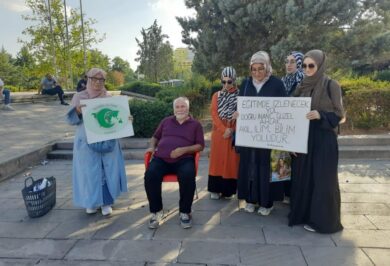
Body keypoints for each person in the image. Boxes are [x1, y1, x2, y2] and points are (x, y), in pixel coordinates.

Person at [288, 49, 344, 233]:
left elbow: (339, 113)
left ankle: (324, 222)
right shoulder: (301, 85)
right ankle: (303, 216)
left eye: (311, 65)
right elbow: (291, 111)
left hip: (324, 138)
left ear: (319, 65)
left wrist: (321, 114)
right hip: (304, 137)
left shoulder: (331, 85)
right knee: (303, 178)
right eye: (304, 65)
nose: (307, 69)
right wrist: (291, 142)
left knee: (323, 180)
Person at [66, 68, 127, 216]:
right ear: (88, 79)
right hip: (86, 143)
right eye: (94, 79)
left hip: (107, 141)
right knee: (89, 172)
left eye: (101, 80)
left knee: (107, 171)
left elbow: (116, 118)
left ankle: (107, 202)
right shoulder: (79, 97)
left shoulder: (109, 96)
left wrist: (125, 120)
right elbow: (70, 120)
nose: (98, 83)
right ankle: (90, 202)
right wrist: (78, 112)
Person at [235, 51, 287, 216]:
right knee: (249, 168)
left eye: (261, 68)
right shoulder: (245, 84)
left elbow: (285, 109)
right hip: (249, 137)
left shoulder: (277, 84)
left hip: (268, 137)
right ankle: (250, 200)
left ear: (267, 67)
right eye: (254, 69)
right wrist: (238, 114)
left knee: (265, 168)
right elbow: (240, 105)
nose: (257, 73)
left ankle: (266, 202)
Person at [144, 97, 205, 229]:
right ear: (174, 109)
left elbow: (200, 146)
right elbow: (155, 137)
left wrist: (183, 150)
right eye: (177, 107)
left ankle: (185, 212)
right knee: (150, 175)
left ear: (188, 108)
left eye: (183, 106)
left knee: (188, 175)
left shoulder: (195, 125)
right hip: (161, 159)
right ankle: (156, 211)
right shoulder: (166, 121)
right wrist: (151, 147)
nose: (180, 109)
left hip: (184, 159)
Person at [208, 66, 240, 200]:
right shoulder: (216, 95)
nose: (226, 85)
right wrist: (223, 129)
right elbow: (214, 114)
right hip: (219, 133)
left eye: (229, 81)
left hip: (233, 131)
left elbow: (242, 115)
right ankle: (215, 189)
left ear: (234, 80)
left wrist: (232, 130)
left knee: (231, 162)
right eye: (223, 81)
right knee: (216, 161)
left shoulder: (240, 96)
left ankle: (228, 190)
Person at [281, 51, 304, 203]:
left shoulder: (304, 80)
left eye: (292, 62)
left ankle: (296, 193)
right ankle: (286, 193)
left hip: (299, 126)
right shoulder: (283, 80)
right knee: (284, 160)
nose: (289, 65)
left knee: (297, 160)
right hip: (284, 125)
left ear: (299, 64)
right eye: (287, 61)